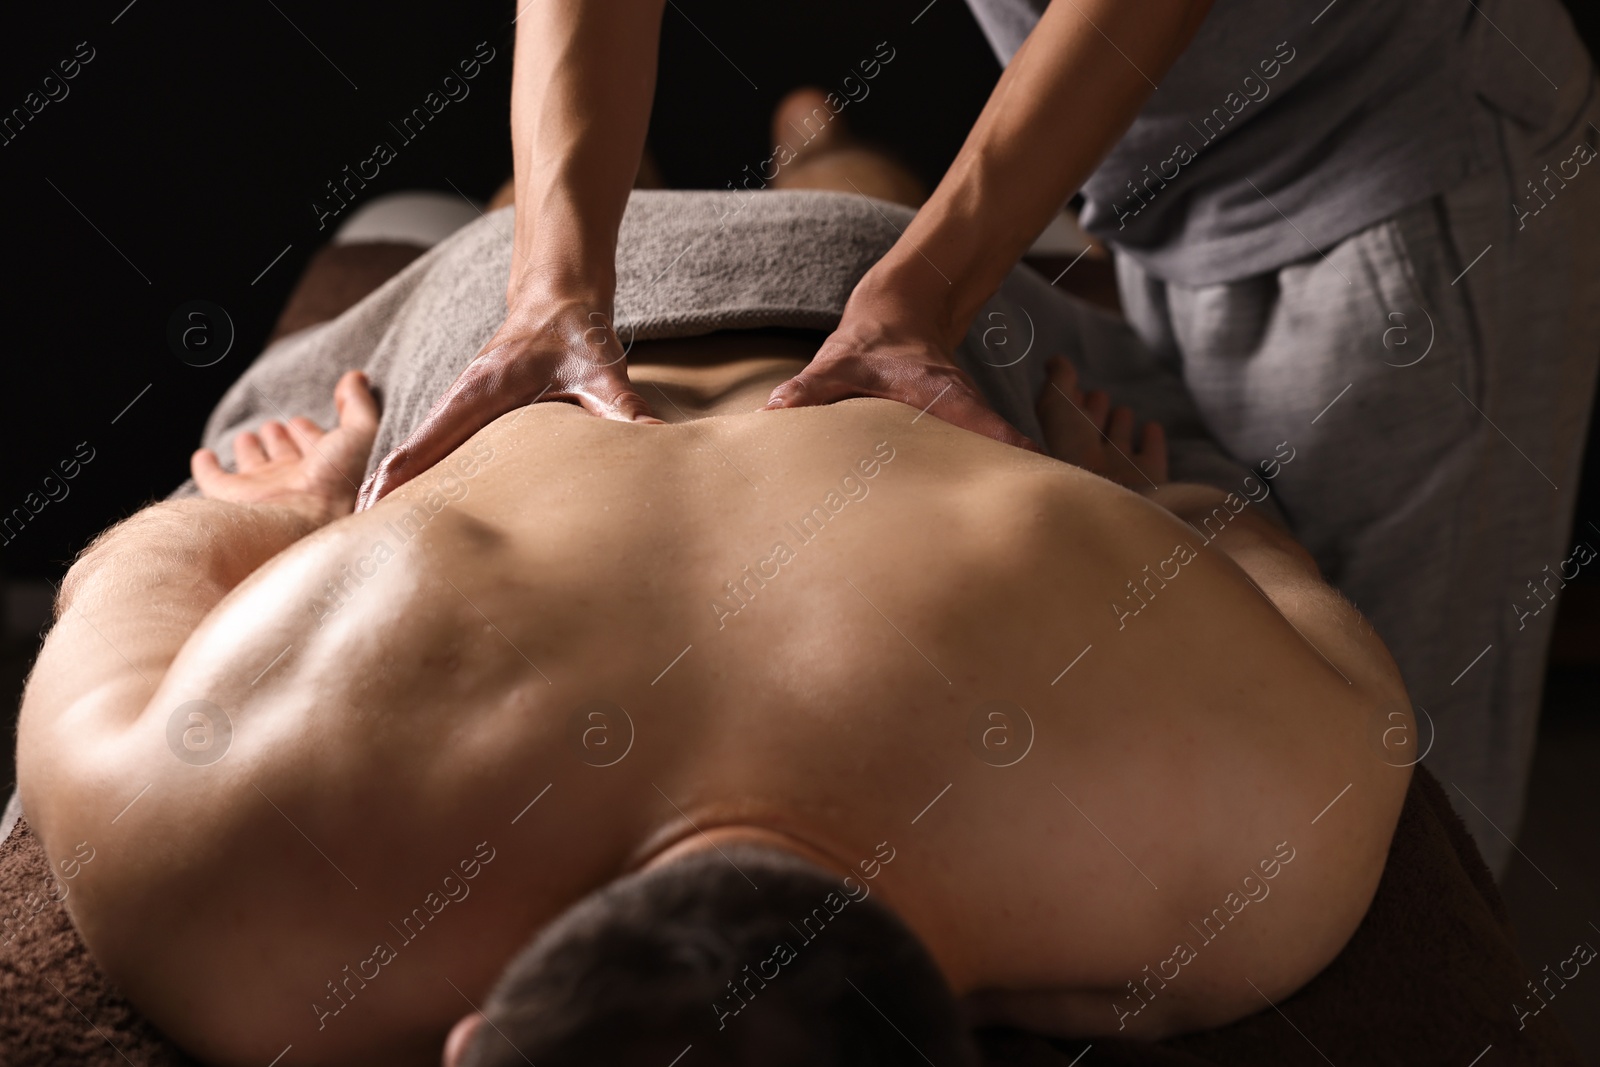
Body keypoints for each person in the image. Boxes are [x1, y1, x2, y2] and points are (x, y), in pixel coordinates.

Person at [14, 112, 1416, 1067]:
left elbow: (1294, 605)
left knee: (604, 209)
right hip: (671, 335)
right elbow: (124, 585)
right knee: (818, 190)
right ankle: (809, 129)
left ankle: (788, 140)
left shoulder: (1253, 849)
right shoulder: (222, 900)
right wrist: (288, 514)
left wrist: (1165, 515)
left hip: (787, 316)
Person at [360, 0, 1600, 875]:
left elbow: (1358, 733)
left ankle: (820, 146)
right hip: (1168, 176)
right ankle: (814, 147)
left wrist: (921, 295)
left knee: (1407, 808)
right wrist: (549, 287)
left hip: (1395, 171)